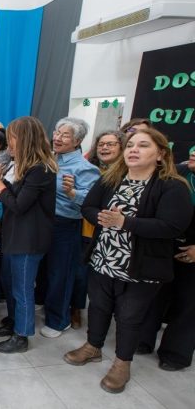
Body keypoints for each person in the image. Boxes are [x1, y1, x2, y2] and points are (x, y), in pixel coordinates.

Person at [64, 128, 191, 394]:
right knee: (98, 307)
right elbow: (88, 206)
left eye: (143, 145)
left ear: (161, 154)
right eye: (131, 144)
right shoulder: (112, 178)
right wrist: (100, 217)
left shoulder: (172, 185)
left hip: (142, 266)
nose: (133, 149)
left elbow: (172, 226)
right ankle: (93, 346)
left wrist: (124, 222)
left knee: (129, 316)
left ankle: (122, 363)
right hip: (103, 258)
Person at [0, 116, 57, 354]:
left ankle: (22, 335)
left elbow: (18, 205)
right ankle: (14, 321)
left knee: (22, 289)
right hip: (15, 234)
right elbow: (8, 197)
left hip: (29, 239)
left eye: (12, 138)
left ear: (24, 139)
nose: (8, 144)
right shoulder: (25, 167)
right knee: (10, 282)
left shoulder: (40, 170)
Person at [40, 118, 100, 339]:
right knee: (44, 270)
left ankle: (59, 320)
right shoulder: (48, 159)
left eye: (65, 135)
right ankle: (46, 306)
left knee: (61, 273)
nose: (57, 138)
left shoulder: (85, 168)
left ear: (77, 141)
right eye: (56, 132)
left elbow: (91, 202)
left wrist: (73, 193)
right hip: (42, 221)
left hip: (64, 225)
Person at [136, 146, 195, 371]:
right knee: (153, 295)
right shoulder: (176, 173)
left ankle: (175, 353)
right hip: (165, 244)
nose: (193, 153)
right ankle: (142, 339)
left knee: (188, 303)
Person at [72, 130, 125, 329]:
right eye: (101, 144)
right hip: (84, 228)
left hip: (112, 236)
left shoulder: (128, 175)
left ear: (122, 147)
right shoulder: (91, 168)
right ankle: (76, 308)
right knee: (80, 274)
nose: (104, 148)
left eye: (110, 144)